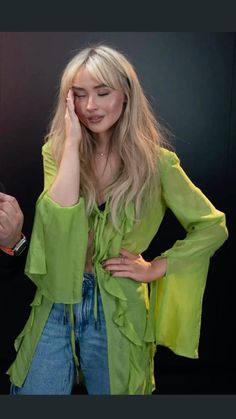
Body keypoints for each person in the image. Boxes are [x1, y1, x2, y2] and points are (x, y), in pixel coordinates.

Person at [7, 45, 228, 395]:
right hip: (56, 298)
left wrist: (156, 268)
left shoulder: (158, 164)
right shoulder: (56, 151)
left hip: (118, 305)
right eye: (79, 95)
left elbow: (213, 226)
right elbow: (57, 220)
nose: (90, 106)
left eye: (102, 92)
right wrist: (72, 145)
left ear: (125, 95)